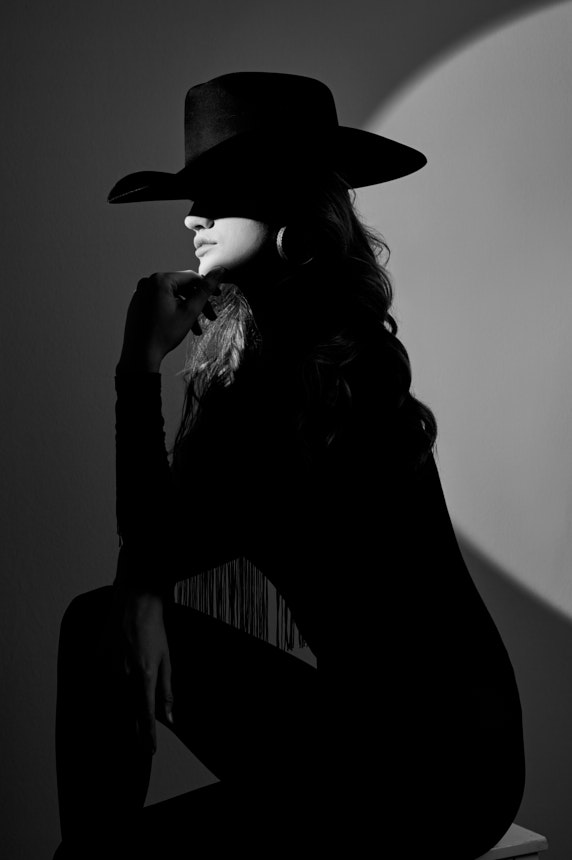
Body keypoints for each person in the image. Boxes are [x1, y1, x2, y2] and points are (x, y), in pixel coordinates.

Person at [53, 72, 526, 859]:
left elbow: (161, 541)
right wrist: (140, 591)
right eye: (192, 195)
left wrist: (137, 368)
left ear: (293, 223)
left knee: (94, 632)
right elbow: (165, 542)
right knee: (95, 636)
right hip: (363, 736)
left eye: (221, 193)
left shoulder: (337, 375)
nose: (192, 215)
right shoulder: (266, 357)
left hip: (441, 768)